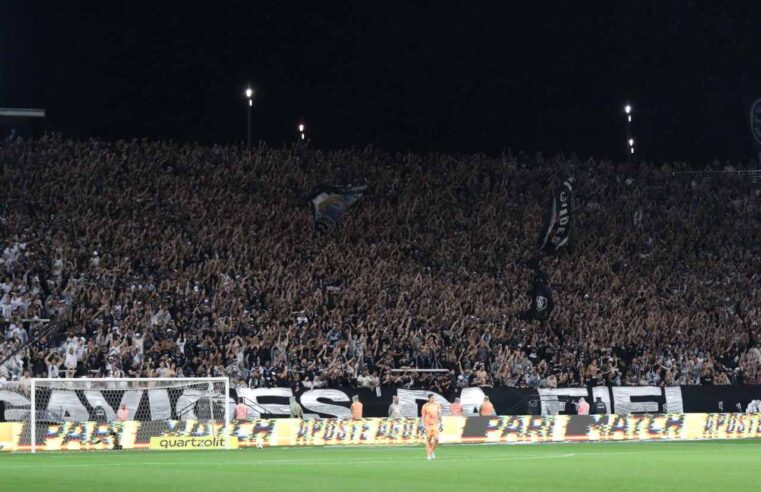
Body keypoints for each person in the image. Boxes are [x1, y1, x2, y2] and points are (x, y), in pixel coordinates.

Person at [421, 393, 441, 460]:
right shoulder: (425, 406)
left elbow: (439, 414)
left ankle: (431, 452)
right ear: (429, 399)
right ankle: (429, 455)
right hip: (428, 425)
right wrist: (423, 424)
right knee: (428, 439)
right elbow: (423, 416)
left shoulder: (437, 405)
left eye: (433, 398)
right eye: (432, 398)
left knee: (436, 439)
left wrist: (441, 423)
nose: (433, 399)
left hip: (435, 424)